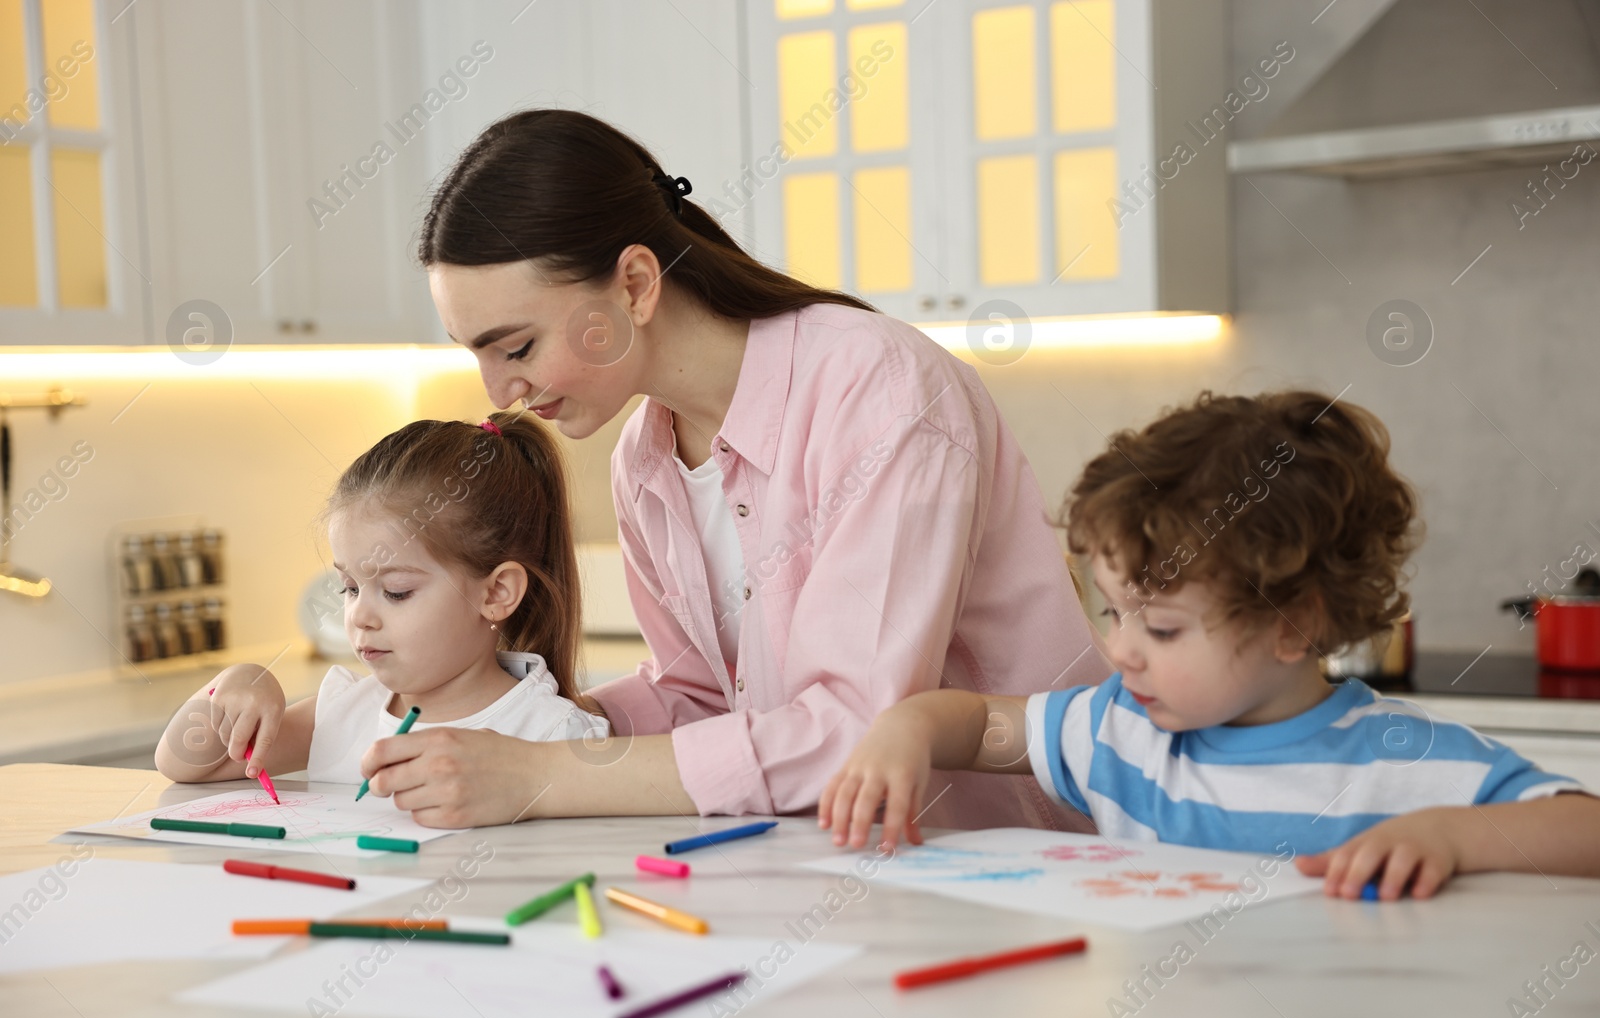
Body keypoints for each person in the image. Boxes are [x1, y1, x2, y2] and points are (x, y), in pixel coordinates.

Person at [360, 108, 1108, 828]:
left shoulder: (879, 391)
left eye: (517, 347)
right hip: (842, 864)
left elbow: (856, 729)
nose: (501, 394)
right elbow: (702, 697)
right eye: (478, 354)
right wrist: (537, 721)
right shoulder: (645, 462)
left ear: (635, 285)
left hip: (1021, 859)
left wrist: (542, 774)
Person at [819, 391, 1600, 900]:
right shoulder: (1114, 731)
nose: (1120, 650)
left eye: (1159, 627)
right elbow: (984, 725)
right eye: (1114, 612)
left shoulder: (1401, 761)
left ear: (1293, 624)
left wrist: (1449, 833)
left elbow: (1586, 829)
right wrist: (908, 728)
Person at [154, 414, 607, 790]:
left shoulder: (554, 736)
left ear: (496, 593)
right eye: (349, 588)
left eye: (395, 592)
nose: (359, 617)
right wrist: (235, 682)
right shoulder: (343, 710)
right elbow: (183, 765)